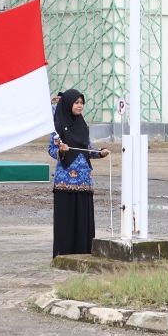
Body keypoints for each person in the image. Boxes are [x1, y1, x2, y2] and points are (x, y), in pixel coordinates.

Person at [49, 89, 109, 257]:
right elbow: (52, 150)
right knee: (66, 222)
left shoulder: (82, 125)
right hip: (65, 182)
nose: (80, 106)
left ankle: (83, 254)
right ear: (68, 104)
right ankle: (64, 256)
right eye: (76, 103)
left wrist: (100, 152)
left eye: (82, 103)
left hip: (84, 183)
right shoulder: (58, 125)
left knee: (83, 222)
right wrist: (61, 150)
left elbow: (87, 149)